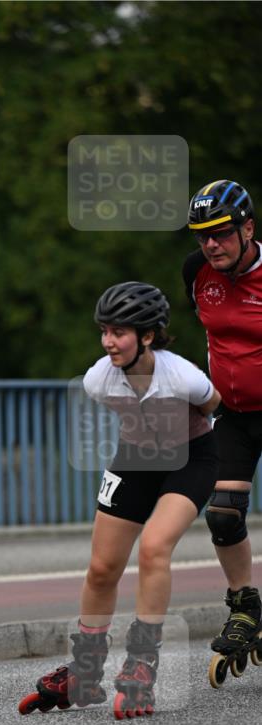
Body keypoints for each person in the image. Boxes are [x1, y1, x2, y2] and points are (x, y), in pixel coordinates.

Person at [19, 281, 220, 719]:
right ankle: (86, 669)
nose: (109, 341)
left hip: (192, 457)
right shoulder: (97, 378)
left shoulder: (181, 375)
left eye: (119, 332)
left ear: (147, 336)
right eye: (104, 331)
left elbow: (211, 405)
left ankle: (142, 664)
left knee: (153, 549)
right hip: (136, 455)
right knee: (102, 566)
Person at [183, 180, 262, 685]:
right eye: (202, 236)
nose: (212, 245)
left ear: (248, 228)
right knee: (222, 513)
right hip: (234, 412)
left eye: (222, 233)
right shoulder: (196, 274)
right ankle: (245, 608)